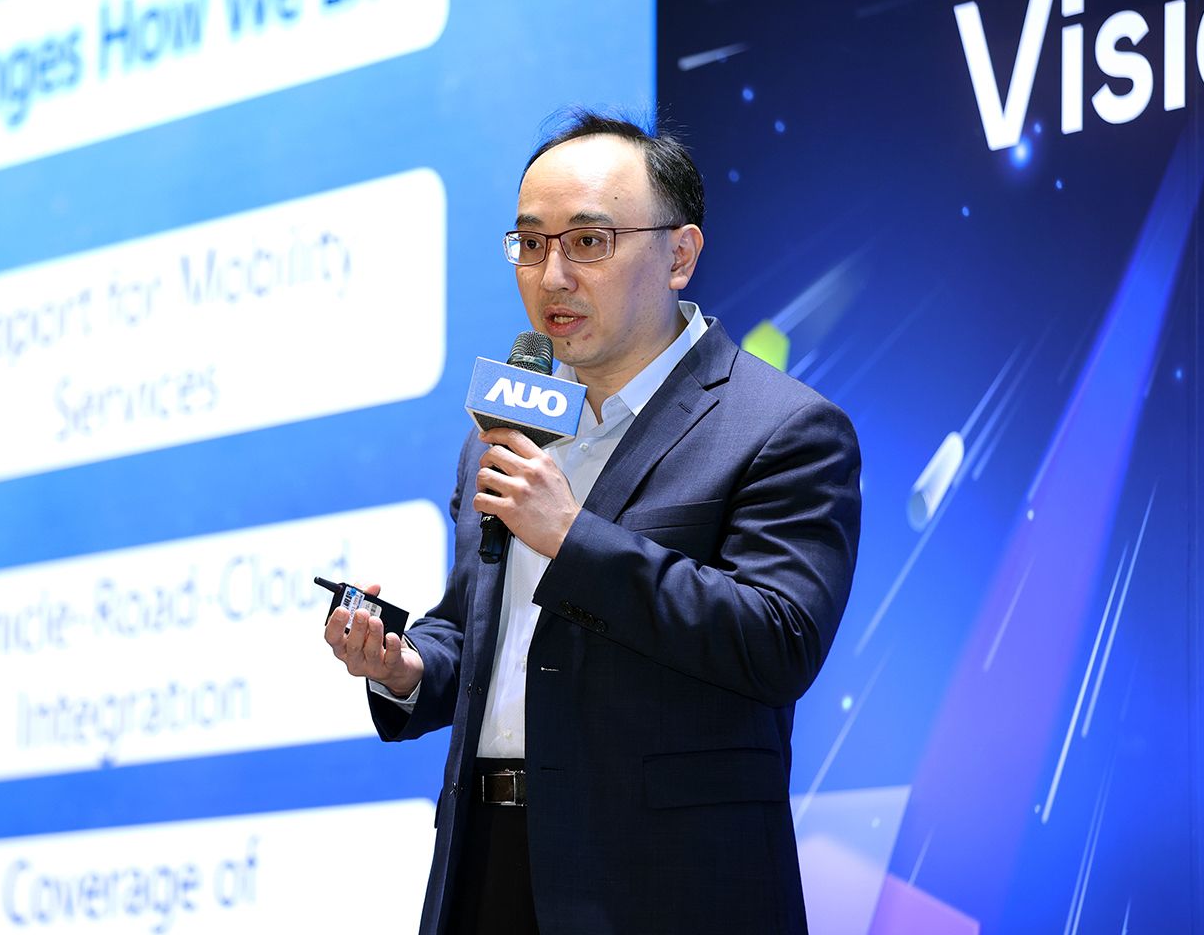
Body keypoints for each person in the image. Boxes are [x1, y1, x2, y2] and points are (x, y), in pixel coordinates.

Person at [325, 110, 861, 934]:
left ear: (679, 256)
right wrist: (405, 666)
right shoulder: (509, 428)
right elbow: (480, 633)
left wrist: (572, 538)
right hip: (485, 864)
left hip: (666, 887)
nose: (552, 275)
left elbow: (776, 641)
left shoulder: (781, 427)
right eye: (530, 243)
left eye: (588, 242)